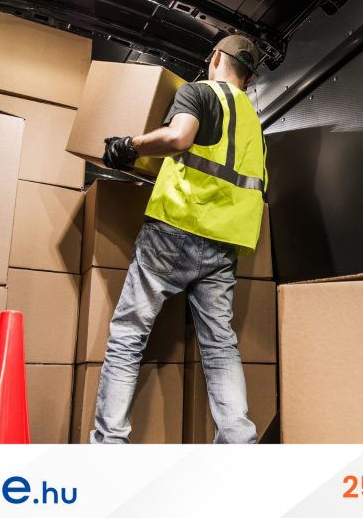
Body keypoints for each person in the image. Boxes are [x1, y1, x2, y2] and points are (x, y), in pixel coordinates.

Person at [90, 35, 267, 444]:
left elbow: (179, 137)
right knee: (220, 346)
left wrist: (129, 146)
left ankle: (109, 446)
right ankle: (240, 446)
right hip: (223, 246)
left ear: (216, 58)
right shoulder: (255, 128)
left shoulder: (201, 92)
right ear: (250, 77)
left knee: (129, 335)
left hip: (174, 229)